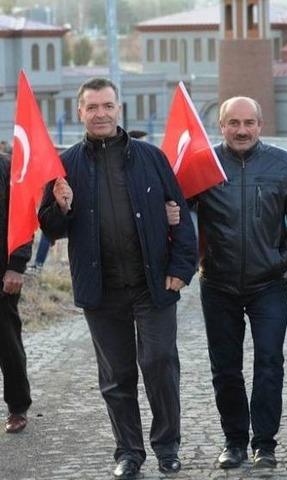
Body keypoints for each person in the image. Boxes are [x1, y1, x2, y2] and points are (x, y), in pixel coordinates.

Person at [38, 77, 198, 479]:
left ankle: (167, 447)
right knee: (116, 376)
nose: (100, 114)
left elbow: (180, 214)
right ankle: (129, 452)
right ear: (79, 112)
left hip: (153, 284)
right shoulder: (64, 165)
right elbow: (50, 228)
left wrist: (181, 270)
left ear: (119, 109)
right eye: (91, 107)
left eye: (107, 106)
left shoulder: (150, 157)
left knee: (159, 363)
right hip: (101, 288)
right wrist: (61, 207)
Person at [192, 96, 287, 469]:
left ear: (260, 126)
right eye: (234, 123)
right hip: (218, 283)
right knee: (225, 368)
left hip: (268, 286)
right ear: (221, 126)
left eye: (249, 122)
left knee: (269, 363)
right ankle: (234, 442)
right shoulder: (204, 164)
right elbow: (179, 212)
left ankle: (265, 443)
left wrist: (283, 260)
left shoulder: (281, 162)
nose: (241, 130)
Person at [1, 152, 32, 435]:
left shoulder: (6, 167)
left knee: (7, 342)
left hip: (3, 274)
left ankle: (17, 407)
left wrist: (16, 265)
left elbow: (22, 216)